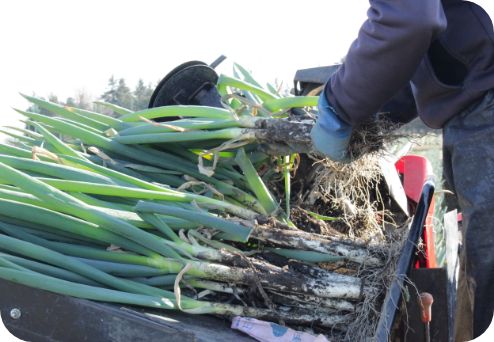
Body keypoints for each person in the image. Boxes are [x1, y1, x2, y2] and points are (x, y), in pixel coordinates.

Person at [310, 0, 494, 340]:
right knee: (474, 274)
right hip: (468, 112)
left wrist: (339, 102)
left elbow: (411, 19)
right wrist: (369, 122)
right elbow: (423, 51)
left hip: (483, 109)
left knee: (485, 269)